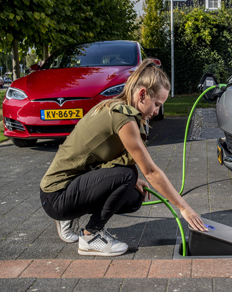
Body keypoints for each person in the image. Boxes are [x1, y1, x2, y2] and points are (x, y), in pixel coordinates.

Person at [40, 59, 207, 257]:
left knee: (134, 197)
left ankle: (71, 216)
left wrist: (132, 180)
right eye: (156, 104)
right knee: (127, 175)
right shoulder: (123, 118)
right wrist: (184, 208)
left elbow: (100, 160)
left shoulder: (116, 107)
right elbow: (151, 172)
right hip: (56, 196)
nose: (157, 111)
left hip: (68, 189)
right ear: (142, 93)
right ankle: (90, 236)